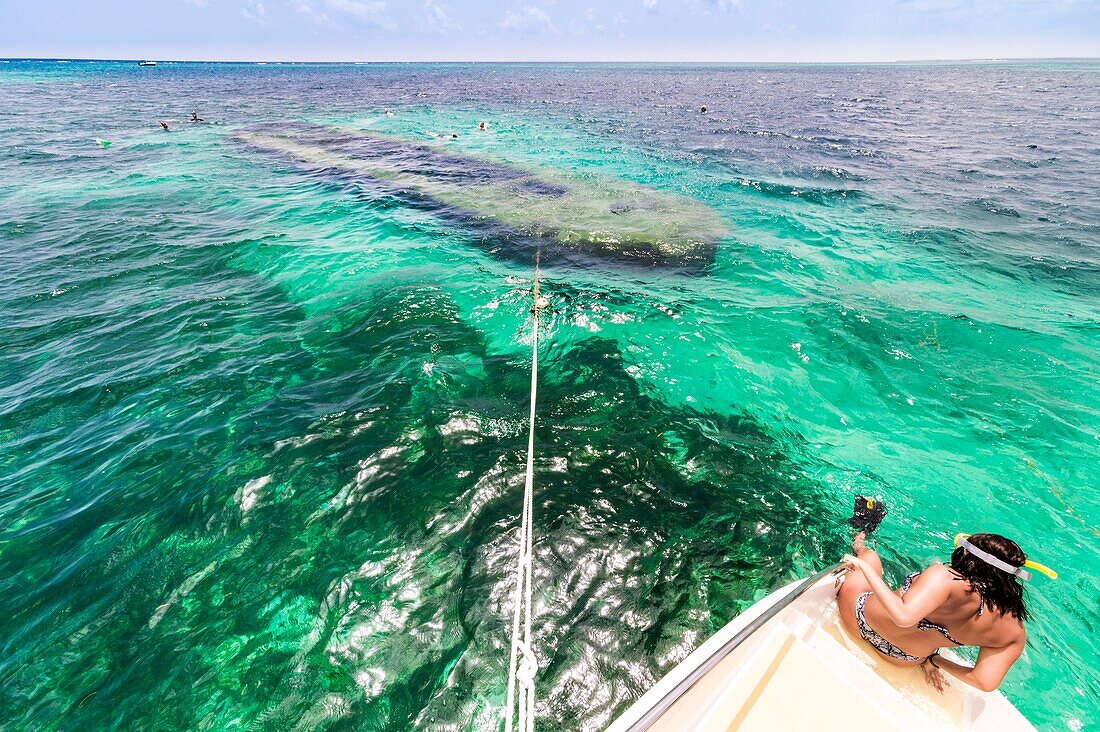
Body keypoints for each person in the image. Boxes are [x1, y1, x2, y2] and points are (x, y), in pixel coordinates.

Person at [837, 501, 1037, 693]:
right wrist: (933, 660)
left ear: (969, 556)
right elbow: (984, 681)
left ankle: (861, 535)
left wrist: (864, 567)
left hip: (859, 621)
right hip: (901, 657)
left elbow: (904, 616)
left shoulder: (946, 577)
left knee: (870, 557)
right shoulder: (1013, 630)